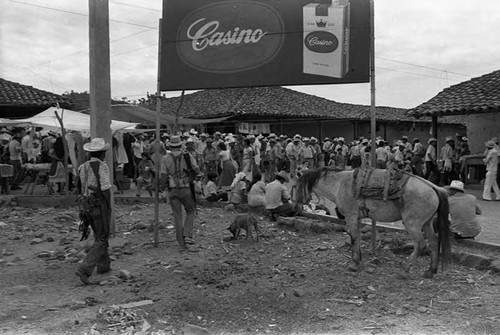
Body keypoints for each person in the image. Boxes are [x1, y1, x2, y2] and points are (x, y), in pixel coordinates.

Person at [75, 138, 112, 285]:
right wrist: (108, 206)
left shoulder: (82, 167)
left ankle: (104, 265)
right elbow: (105, 188)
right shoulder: (102, 166)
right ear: (102, 153)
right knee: (102, 237)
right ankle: (85, 268)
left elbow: (78, 185)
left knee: (98, 234)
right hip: (98, 205)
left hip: (86, 205)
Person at [164, 135, 201, 251]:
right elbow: (196, 169)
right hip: (185, 187)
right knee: (190, 211)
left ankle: (180, 240)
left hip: (172, 188)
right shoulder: (187, 156)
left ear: (170, 146)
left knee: (177, 215)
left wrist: (163, 189)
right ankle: (188, 235)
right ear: (180, 145)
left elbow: (163, 175)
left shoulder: (166, 158)